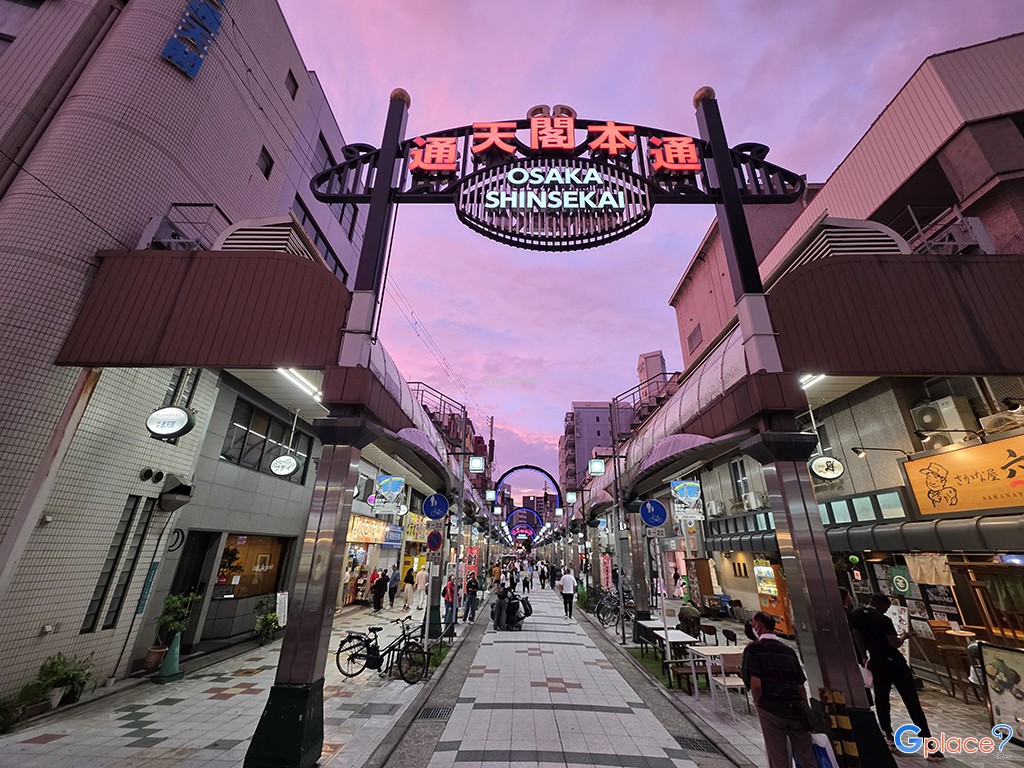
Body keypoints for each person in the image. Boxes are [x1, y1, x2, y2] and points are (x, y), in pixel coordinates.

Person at [851, 594, 941, 760]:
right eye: (886, 607)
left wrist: (864, 656)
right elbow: (894, 643)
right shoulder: (883, 620)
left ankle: (888, 736)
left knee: (882, 698)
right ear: (880, 604)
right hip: (894, 663)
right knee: (911, 701)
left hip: (876, 661)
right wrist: (904, 637)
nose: (886, 610)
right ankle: (928, 744)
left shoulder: (856, 614)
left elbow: (857, 635)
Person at [741, 612, 817, 768]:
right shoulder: (789, 651)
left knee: (778, 755)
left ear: (758, 626)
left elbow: (756, 684)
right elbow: (800, 686)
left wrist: (757, 702)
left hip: (771, 709)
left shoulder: (753, 650)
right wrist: (805, 707)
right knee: (806, 755)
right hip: (795, 709)